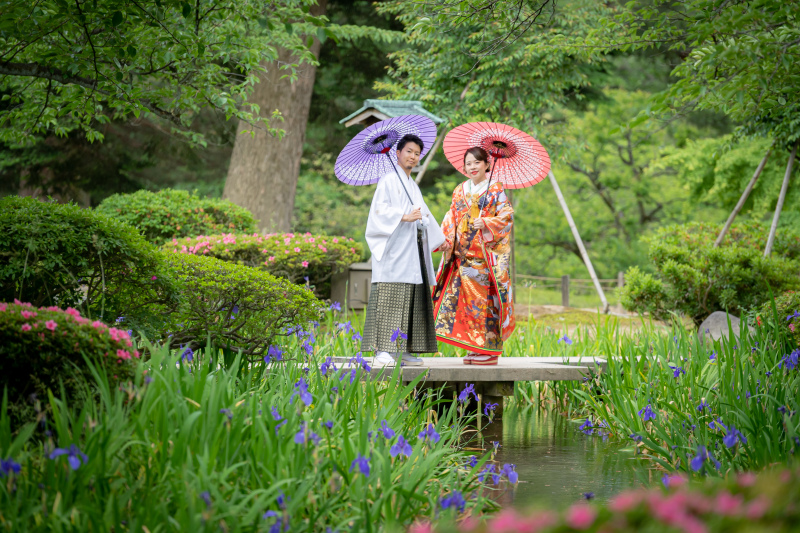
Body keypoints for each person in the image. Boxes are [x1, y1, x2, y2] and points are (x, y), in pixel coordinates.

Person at [361, 134, 445, 366]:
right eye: (409, 151)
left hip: (411, 250)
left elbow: (424, 213)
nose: (413, 156)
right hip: (393, 251)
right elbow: (378, 212)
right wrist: (403, 216)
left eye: (417, 153)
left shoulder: (411, 186)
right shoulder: (388, 180)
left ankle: (403, 348)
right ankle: (383, 351)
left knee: (411, 296)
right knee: (391, 296)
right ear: (397, 153)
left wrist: (440, 240)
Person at [432, 147, 515, 365]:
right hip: (463, 255)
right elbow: (451, 216)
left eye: (477, 163)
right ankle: (474, 346)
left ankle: (489, 350)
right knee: (466, 303)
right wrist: (445, 240)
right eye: (468, 163)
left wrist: (487, 222)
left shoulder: (496, 189)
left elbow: (507, 217)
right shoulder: (460, 190)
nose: (472, 167)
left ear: (487, 165)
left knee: (485, 302)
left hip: (485, 258)